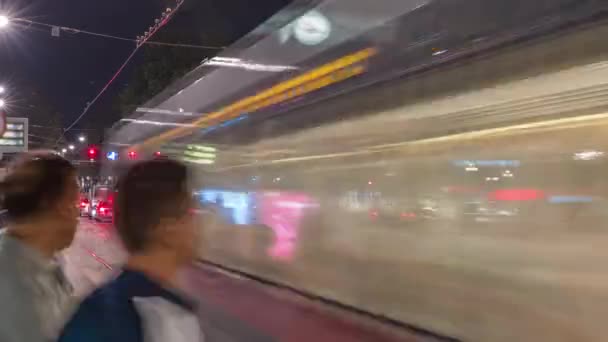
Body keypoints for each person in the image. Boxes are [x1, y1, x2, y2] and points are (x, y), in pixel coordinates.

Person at [58, 159, 202, 342]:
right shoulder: (160, 317)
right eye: (191, 213)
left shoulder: (99, 310)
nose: (197, 224)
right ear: (168, 227)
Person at [0, 153, 79, 342]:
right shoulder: (10, 280)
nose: (77, 213)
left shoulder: (46, 262)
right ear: (57, 206)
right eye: (73, 202)